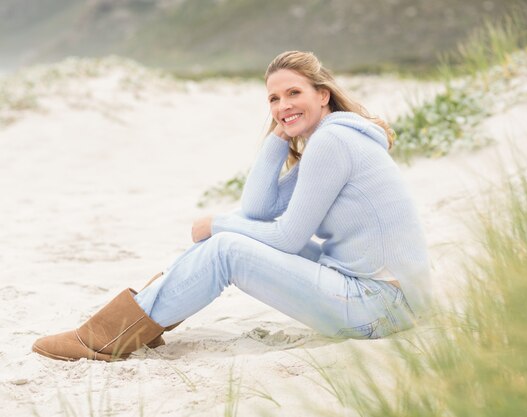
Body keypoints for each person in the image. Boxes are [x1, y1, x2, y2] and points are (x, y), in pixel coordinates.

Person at [32, 51, 431, 362]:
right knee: (233, 231)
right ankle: (142, 319)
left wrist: (217, 226)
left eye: (295, 93)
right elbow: (258, 209)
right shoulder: (331, 140)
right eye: (274, 98)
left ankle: (113, 333)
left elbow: (289, 238)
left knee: (226, 246)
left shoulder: (332, 143)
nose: (282, 104)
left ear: (323, 94)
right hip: (383, 297)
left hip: (381, 305)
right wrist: (280, 133)